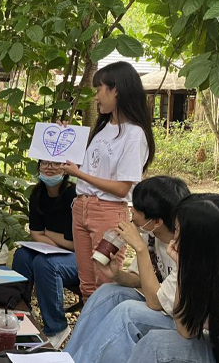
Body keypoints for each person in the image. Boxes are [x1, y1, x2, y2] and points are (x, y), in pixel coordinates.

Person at [126, 194, 219, 363]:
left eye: (178, 231)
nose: (173, 239)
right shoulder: (210, 269)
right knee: (156, 342)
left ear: (199, 242)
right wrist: (183, 268)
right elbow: (185, 331)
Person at [64, 176, 190, 362]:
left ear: (157, 222)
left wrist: (139, 249)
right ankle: (68, 357)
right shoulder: (151, 234)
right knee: (109, 292)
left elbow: (156, 303)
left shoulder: (184, 248)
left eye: (137, 210)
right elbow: (140, 279)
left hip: (182, 321)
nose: (131, 211)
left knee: (127, 313)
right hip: (163, 303)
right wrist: (118, 275)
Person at [61, 61, 155, 300]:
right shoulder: (104, 128)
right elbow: (92, 167)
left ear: (117, 90)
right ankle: (87, 336)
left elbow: (123, 187)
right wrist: (65, 138)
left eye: (99, 89)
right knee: (86, 285)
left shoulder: (134, 134)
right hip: (81, 207)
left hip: (108, 211)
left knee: (105, 282)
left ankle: (105, 335)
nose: (97, 97)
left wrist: (79, 175)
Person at [11, 159, 78, 349]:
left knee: (44, 263)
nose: (49, 168)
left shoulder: (73, 196)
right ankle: (21, 314)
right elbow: (35, 234)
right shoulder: (37, 193)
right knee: (22, 256)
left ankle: (57, 327)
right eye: (45, 163)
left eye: (56, 164)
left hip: (80, 257)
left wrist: (48, 234)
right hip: (57, 251)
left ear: (66, 169)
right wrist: (54, 240)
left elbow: (75, 244)